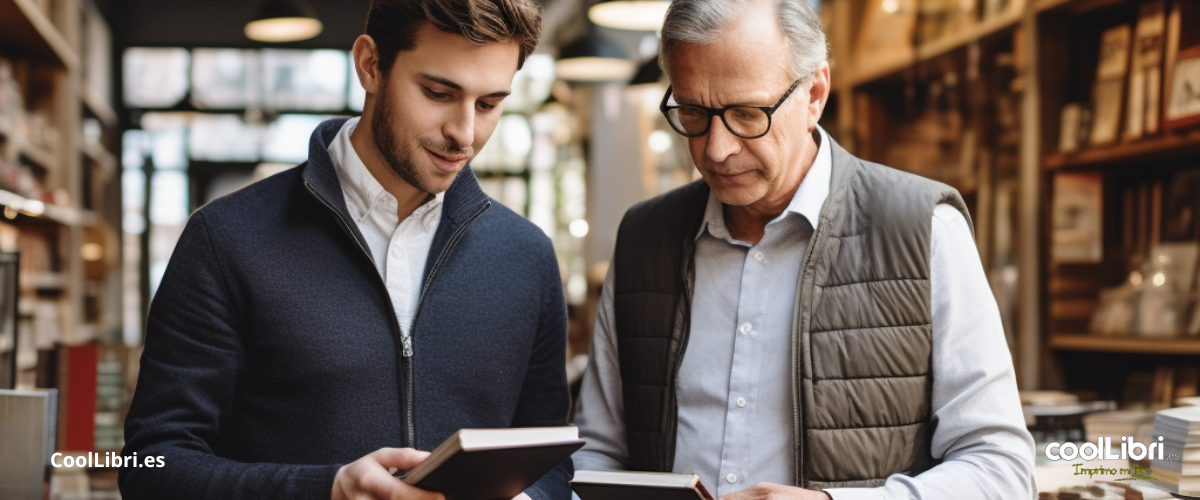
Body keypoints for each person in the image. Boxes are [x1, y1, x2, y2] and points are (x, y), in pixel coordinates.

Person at [570, 0, 1037, 499]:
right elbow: (596, 454)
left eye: (747, 114)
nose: (716, 148)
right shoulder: (644, 238)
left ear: (815, 92)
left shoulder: (925, 231)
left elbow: (1002, 470)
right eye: (692, 113)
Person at [119, 1, 571, 499]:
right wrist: (326, 490)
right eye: (439, 93)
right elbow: (151, 465)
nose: (464, 134)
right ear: (371, 65)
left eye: (488, 104)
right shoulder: (224, 240)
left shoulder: (527, 257)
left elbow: (549, 459)